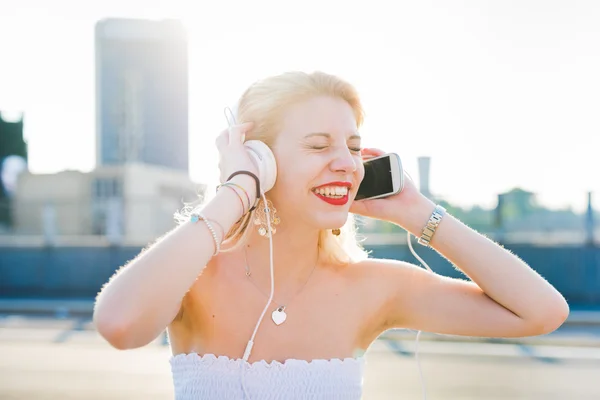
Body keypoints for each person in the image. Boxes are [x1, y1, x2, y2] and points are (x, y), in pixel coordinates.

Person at [93, 71, 570, 399]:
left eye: (354, 147)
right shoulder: (191, 275)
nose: (345, 161)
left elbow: (543, 311)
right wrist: (236, 190)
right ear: (260, 157)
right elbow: (120, 325)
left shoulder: (374, 287)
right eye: (319, 145)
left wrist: (416, 211)